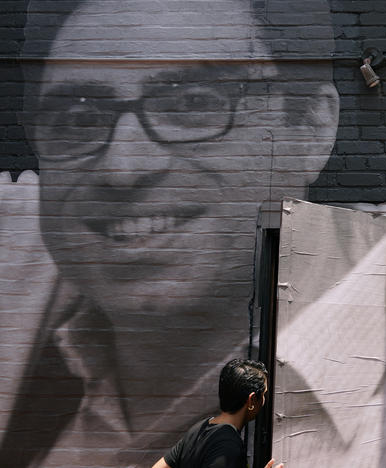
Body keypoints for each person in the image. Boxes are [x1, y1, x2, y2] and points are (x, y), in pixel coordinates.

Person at [1, 0, 338, 466]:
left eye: (192, 103)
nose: (124, 168)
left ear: (311, 128)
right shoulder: (24, 269)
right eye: (79, 119)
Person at [152, 359, 282, 468]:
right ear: (252, 400)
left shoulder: (200, 428)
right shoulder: (229, 447)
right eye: (264, 394)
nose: (264, 400)